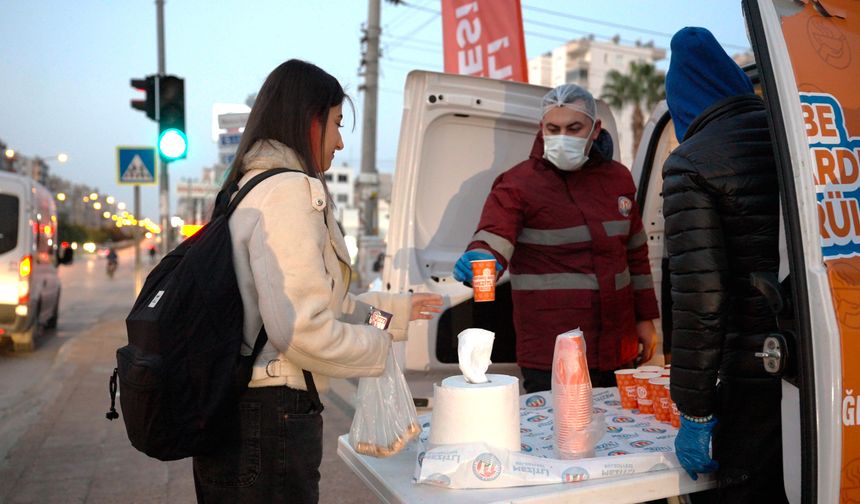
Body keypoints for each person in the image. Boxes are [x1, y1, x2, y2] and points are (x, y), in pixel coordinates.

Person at [192, 59, 443, 504]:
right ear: (311, 121)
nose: (340, 141)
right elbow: (302, 331)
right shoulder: (288, 192)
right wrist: (380, 349)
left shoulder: (248, 187)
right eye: (336, 123)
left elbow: (326, 301)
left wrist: (393, 315)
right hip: (270, 419)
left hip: (238, 414)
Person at [453, 83, 660, 393]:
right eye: (554, 128)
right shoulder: (519, 184)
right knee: (557, 437)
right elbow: (495, 233)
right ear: (542, 128)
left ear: (595, 129)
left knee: (615, 433)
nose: (563, 136)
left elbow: (635, 256)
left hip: (618, 346)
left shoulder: (618, 179)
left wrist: (646, 319)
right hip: (551, 351)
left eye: (574, 127)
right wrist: (482, 256)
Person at [663, 27, 787, 502]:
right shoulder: (792, 136)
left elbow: (701, 302)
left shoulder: (690, 163)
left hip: (752, 375)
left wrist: (694, 411)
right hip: (817, 361)